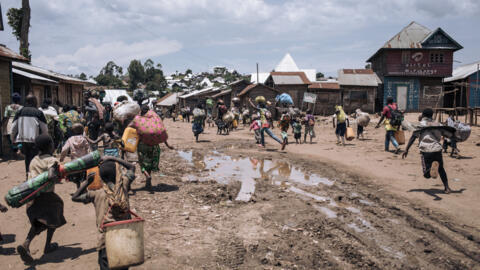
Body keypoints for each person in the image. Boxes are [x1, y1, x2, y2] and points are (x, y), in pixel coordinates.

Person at [71, 155, 135, 270]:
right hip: (124, 238)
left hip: (106, 242)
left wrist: (87, 182)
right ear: (117, 174)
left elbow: (75, 197)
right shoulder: (123, 186)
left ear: (101, 177)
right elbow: (132, 167)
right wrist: (113, 158)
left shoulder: (97, 194)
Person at [17, 134, 66, 264]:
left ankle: (27, 244)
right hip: (46, 198)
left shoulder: (34, 160)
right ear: (50, 146)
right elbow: (51, 174)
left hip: (32, 198)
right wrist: (55, 177)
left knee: (39, 223)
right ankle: (45, 245)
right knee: (54, 217)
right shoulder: (51, 160)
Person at [402, 108, 455, 194]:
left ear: (423, 115)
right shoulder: (438, 124)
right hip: (437, 149)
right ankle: (447, 188)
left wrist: (406, 149)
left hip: (426, 150)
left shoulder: (421, 125)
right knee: (441, 169)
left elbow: (413, 137)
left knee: (426, 175)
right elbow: (449, 135)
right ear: (432, 115)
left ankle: (430, 168)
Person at [130, 105, 174, 189]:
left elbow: (128, 128)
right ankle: (148, 183)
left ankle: (147, 175)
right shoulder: (154, 119)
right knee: (149, 163)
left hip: (142, 145)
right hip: (154, 145)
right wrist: (168, 145)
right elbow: (159, 133)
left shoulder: (137, 119)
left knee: (142, 162)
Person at [11, 95, 48, 177]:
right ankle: (34, 175)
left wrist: (12, 138)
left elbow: (13, 127)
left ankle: (28, 174)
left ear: (26, 102)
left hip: (23, 139)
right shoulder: (38, 112)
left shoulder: (20, 112)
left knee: (27, 157)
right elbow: (44, 128)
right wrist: (45, 139)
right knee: (35, 158)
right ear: (35, 102)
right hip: (35, 140)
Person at [60, 123, 90, 187]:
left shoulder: (70, 139)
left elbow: (64, 149)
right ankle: (82, 188)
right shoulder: (84, 139)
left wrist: (62, 158)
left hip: (74, 161)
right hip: (84, 161)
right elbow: (88, 149)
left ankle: (78, 186)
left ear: (73, 131)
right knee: (84, 176)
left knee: (76, 177)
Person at [2, 92, 23, 158]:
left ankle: (14, 152)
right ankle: (19, 150)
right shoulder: (21, 107)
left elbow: (5, 117)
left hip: (10, 123)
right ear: (19, 99)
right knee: (19, 138)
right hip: (18, 122)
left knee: (10, 139)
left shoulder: (8, 107)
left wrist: (1, 124)